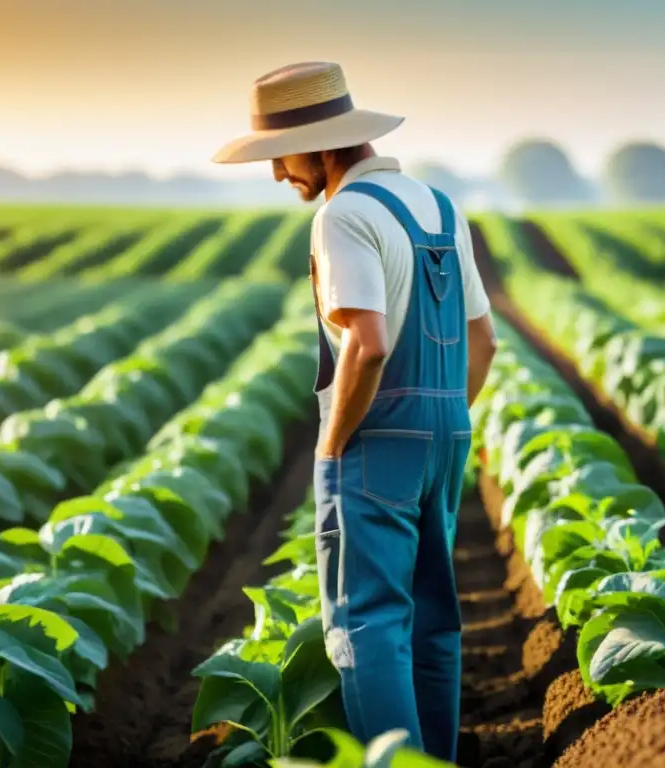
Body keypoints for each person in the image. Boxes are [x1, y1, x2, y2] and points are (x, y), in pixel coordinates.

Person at [212, 61, 498, 761]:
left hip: (376, 444)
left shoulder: (342, 215)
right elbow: (483, 341)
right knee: (434, 621)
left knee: (364, 626)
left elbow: (367, 346)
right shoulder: (439, 206)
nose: (279, 174)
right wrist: (440, 423)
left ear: (321, 142)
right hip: (446, 433)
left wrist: (333, 447)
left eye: (280, 156)